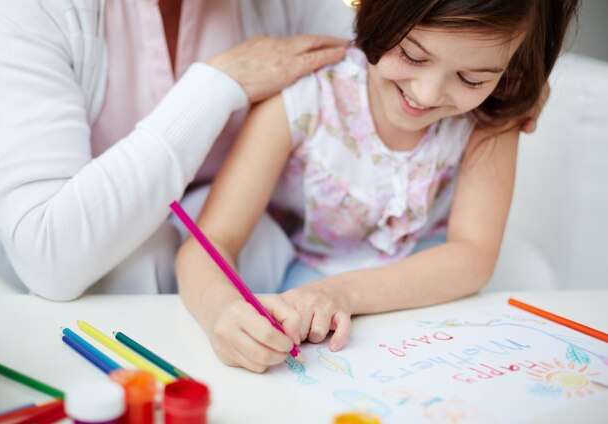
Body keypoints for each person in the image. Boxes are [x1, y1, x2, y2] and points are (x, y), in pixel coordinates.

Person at [175, 0, 579, 373]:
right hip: (305, 299)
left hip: (423, 299)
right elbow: (209, 242)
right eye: (412, 55)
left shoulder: (495, 110)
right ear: (373, 12)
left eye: (471, 79)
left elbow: (472, 257)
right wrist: (220, 312)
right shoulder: (303, 99)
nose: (427, 93)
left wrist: (342, 294)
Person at [0, 0, 356, 300]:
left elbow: (381, 60)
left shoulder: (282, 6)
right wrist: (218, 86)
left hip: (225, 274)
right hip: (64, 285)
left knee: (262, 242)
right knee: (144, 262)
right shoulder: (28, 10)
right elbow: (48, 257)